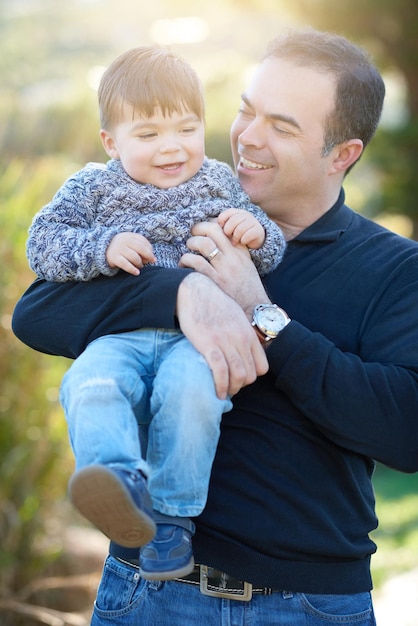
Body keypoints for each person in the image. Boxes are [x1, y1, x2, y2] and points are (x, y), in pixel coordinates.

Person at [12, 27, 418, 625]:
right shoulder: (174, 207)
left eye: (281, 126)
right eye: (246, 112)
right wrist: (183, 290)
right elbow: (37, 313)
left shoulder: (394, 269)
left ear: (343, 154)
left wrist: (261, 314)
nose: (248, 138)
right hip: (147, 591)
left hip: (309, 604)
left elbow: (404, 431)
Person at [24, 46, 285, 581]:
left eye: (186, 130)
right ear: (111, 142)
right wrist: (101, 246)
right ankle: (117, 477)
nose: (171, 148)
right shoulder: (93, 188)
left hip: (196, 341)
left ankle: (170, 518)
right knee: (89, 383)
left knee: (193, 396)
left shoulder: (216, 181)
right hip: (119, 334)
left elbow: (269, 244)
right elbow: (42, 243)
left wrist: (255, 231)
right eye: (147, 136)